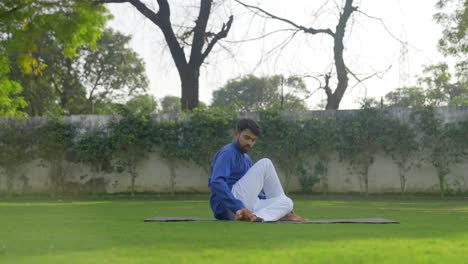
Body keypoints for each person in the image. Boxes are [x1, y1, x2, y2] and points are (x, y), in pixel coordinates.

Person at [208, 118, 305, 222]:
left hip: (245, 205)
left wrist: (279, 205)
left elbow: (252, 190)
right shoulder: (228, 153)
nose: (249, 142)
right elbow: (216, 182)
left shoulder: (246, 159)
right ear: (236, 134)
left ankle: (257, 217)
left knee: (287, 202)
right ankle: (248, 213)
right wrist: (238, 207)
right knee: (265, 163)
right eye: (247, 138)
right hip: (227, 207)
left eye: (253, 140)